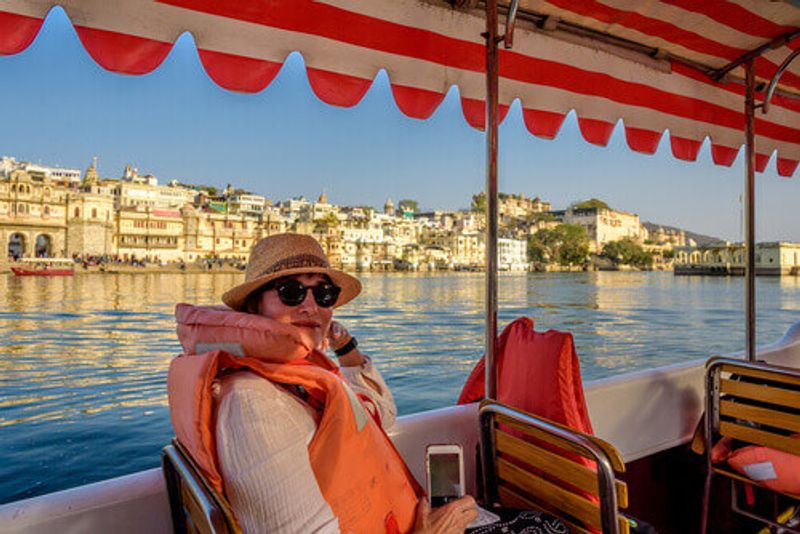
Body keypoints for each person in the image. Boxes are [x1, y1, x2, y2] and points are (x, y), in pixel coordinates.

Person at [211, 233, 478, 534]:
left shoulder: (296, 376)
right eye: (291, 291)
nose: (311, 307)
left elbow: (380, 414)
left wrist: (345, 346)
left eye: (323, 294)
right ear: (253, 306)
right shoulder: (255, 404)